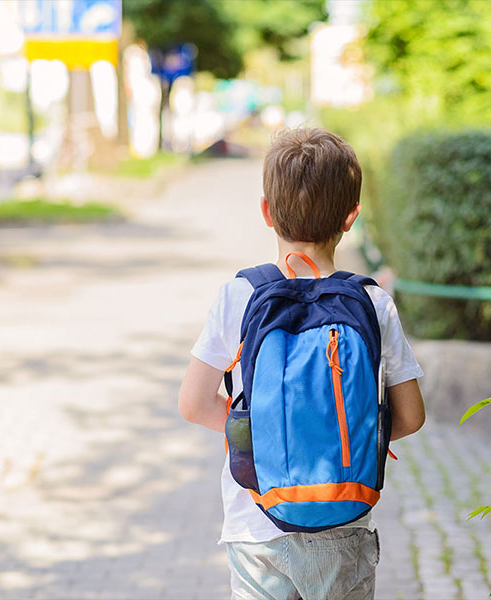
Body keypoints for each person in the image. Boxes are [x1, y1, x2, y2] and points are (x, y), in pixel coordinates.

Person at [178, 127, 425, 600]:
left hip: (255, 523)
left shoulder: (240, 295)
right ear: (351, 217)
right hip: (341, 517)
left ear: (267, 212)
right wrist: (336, 431)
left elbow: (193, 404)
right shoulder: (373, 303)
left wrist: (269, 435)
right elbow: (411, 416)